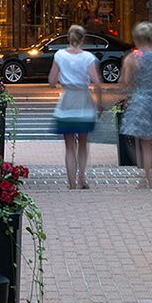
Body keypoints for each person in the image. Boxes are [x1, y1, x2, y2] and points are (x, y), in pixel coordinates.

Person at [49, 24, 102, 191]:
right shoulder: (88, 57)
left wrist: (62, 81)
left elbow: (51, 81)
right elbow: (97, 82)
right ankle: (82, 178)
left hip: (67, 101)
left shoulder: (59, 55)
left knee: (69, 146)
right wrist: (99, 102)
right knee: (84, 143)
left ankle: (71, 184)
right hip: (84, 101)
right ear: (83, 39)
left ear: (68, 38)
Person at [118, 21, 152, 190]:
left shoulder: (132, 58)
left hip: (141, 100)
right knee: (150, 141)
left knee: (136, 140)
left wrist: (125, 97)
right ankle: (149, 176)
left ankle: (148, 177)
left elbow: (126, 82)